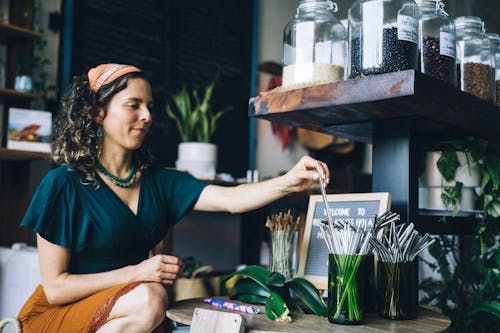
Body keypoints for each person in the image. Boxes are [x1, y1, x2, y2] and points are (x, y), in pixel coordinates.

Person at [17, 63, 330, 333]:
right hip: (63, 317)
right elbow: (56, 289)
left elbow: (231, 200)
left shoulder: (160, 182)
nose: (147, 116)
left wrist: (288, 182)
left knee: (151, 301)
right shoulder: (63, 184)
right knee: (151, 297)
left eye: (149, 106)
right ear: (98, 113)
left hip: (130, 316)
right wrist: (137, 273)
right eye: (133, 104)